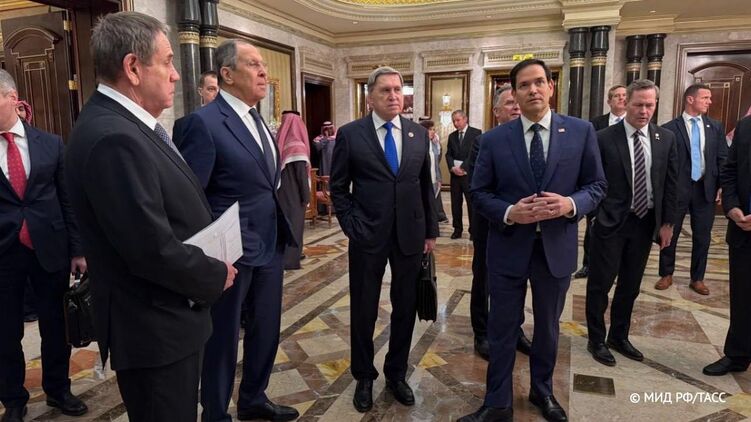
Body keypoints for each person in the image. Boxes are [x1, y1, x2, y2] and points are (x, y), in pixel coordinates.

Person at [64, 12, 235, 421]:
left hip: (170, 320)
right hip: (154, 329)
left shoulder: (129, 125)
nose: (176, 75)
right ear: (133, 68)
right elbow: (150, 249)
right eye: (168, 61)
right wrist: (214, 274)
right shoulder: (113, 137)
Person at [462, 59, 606, 422]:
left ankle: (543, 391)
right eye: (524, 85)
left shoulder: (580, 131)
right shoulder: (493, 140)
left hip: (555, 249)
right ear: (514, 92)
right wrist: (510, 212)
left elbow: (597, 185)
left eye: (539, 82)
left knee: (548, 328)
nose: (533, 90)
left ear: (551, 87)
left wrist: (570, 204)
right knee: (501, 328)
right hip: (508, 247)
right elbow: (478, 192)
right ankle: (497, 402)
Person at [174, 39, 298, 422]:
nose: (263, 72)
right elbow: (189, 199)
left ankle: (254, 398)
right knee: (222, 338)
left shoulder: (258, 119)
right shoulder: (202, 123)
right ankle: (215, 412)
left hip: (269, 244)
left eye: (264, 65)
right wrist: (204, 257)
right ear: (226, 74)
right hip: (228, 253)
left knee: (266, 329)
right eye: (253, 64)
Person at [330, 66, 438, 413]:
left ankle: (396, 373)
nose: (394, 96)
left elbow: (425, 185)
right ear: (370, 97)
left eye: (397, 90)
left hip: (410, 234)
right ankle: (364, 375)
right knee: (364, 308)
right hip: (367, 236)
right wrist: (351, 225)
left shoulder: (417, 134)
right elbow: (338, 187)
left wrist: (431, 231)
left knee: (405, 306)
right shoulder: (351, 135)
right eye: (385, 91)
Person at [0, 69, 88, 422]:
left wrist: (78, 250)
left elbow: (68, 200)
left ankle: (58, 389)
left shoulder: (51, 144)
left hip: (49, 248)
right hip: (4, 254)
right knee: (6, 331)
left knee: (55, 324)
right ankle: (13, 399)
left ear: (11, 98)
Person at [585, 79, 678, 369]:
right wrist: (595, 215)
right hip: (610, 222)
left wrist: (668, 223)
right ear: (626, 103)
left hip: (644, 222)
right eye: (638, 105)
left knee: (631, 284)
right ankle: (596, 339)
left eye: (650, 105)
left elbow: (671, 183)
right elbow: (590, 179)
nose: (644, 111)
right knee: (600, 284)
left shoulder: (665, 138)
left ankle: (619, 336)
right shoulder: (603, 138)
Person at [465, 85, 530, 361]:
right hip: (490, 224)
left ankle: (515, 330)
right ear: (496, 112)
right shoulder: (483, 141)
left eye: (518, 102)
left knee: (518, 280)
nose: (516, 107)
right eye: (510, 103)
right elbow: (476, 188)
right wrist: (507, 211)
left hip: (525, 227)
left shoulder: (532, 139)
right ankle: (482, 332)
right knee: (483, 279)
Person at [656, 84, 727, 295]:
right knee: (670, 232)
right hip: (677, 190)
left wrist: (722, 186)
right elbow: (663, 163)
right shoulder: (669, 128)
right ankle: (666, 273)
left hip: (705, 188)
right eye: (705, 97)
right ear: (690, 99)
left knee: (702, 236)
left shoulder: (715, 127)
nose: (709, 102)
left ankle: (697, 278)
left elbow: (722, 158)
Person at [702, 114, 751, 377]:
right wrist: (731, 207)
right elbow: (729, 171)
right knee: (742, 296)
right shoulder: (746, 126)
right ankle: (738, 354)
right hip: (743, 229)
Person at [574, 84, 628, 279]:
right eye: (617, 96)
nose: (621, 98)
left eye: (624, 95)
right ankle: (588, 264)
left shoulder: (634, 124)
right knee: (593, 227)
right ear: (609, 101)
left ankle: (619, 266)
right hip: (597, 183)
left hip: (624, 185)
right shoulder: (595, 124)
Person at [276, 110, 311, 270]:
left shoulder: (280, 142)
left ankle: (283, 257)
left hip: (280, 192)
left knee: (284, 226)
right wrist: (306, 197)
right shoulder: (297, 146)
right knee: (295, 226)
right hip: (294, 194)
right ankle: (291, 260)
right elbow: (301, 176)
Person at [446, 109, 481, 239]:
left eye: (458, 120)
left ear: (465, 119)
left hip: (469, 175)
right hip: (455, 175)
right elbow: (448, 154)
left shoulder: (476, 133)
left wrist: (463, 167)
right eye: (453, 121)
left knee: (471, 203)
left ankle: (473, 230)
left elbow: (476, 153)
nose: (456, 123)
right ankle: (457, 229)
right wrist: (452, 167)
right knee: (455, 203)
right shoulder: (452, 136)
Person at [173, 70, 219, 144]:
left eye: (221, 90)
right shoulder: (184, 124)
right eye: (211, 89)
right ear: (200, 92)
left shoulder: (235, 120)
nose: (217, 94)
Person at [418, 118, 448, 223]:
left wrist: (439, 178)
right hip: (423, 179)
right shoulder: (418, 144)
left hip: (434, 178)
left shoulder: (433, 144)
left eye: (433, 129)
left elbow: (436, 162)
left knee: (433, 202)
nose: (433, 132)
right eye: (430, 129)